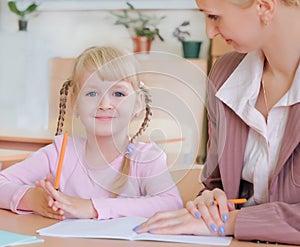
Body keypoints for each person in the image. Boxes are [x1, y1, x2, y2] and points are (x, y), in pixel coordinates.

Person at [134, 0, 300, 245]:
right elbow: (216, 181)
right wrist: (211, 199)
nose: (209, 32)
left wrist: (232, 222)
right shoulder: (224, 76)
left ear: (264, 7)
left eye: (213, 17)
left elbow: (228, 221)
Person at [0, 46, 183, 220]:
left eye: (118, 94)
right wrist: (32, 199)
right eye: (92, 93)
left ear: (138, 103)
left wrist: (91, 207)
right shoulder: (59, 153)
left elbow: (171, 203)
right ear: (74, 103)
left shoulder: (146, 158)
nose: (104, 104)